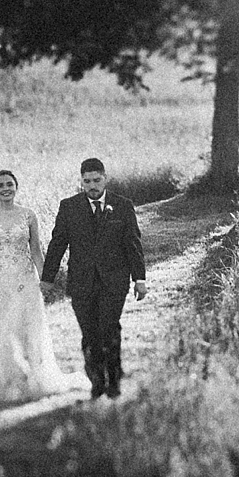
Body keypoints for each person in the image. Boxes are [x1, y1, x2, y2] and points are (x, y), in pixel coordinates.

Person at [0, 168, 77, 403]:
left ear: (16, 187)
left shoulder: (28, 215)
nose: (6, 189)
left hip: (24, 277)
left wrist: (46, 279)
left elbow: (35, 250)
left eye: (9, 184)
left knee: (25, 324)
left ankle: (27, 377)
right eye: (1, 185)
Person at [42, 156, 146, 400]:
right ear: (81, 181)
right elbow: (57, 244)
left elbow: (133, 244)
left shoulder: (122, 205)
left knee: (109, 328)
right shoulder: (69, 207)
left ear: (105, 179)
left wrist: (139, 278)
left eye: (96, 180)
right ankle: (96, 382)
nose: (92, 186)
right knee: (89, 333)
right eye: (87, 181)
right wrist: (48, 278)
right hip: (81, 282)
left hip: (114, 280)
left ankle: (114, 380)